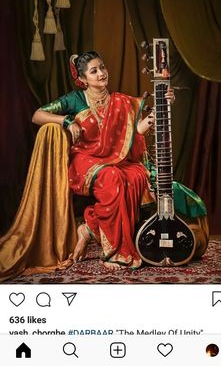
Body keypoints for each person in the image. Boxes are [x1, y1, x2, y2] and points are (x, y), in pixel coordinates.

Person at [32, 51, 175, 271]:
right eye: (94, 71)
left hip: (114, 160)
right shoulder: (75, 99)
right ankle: (113, 251)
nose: (101, 73)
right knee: (113, 177)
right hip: (86, 160)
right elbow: (38, 115)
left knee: (136, 175)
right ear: (83, 79)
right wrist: (67, 121)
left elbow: (137, 130)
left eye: (102, 67)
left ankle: (89, 228)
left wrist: (162, 108)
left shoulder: (120, 100)